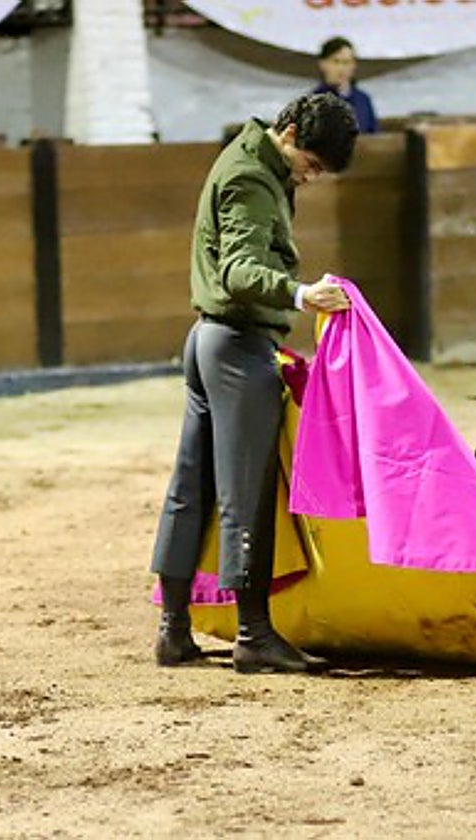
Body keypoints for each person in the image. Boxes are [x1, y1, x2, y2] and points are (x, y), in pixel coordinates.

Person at [150, 93, 359, 675]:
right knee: (247, 494)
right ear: (288, 132)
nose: (310, 178)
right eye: (311, 164)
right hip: (238, 348)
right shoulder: (251, 178)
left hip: (208, 341)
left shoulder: (248, 160)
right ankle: (254, 633)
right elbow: (239, 272)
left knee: (190, 487)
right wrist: (299, 294)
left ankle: (173, 632)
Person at [312, 36, 378, 135]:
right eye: (336, 62)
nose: (341, 68)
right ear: (322, 64)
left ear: (354, 65)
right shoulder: (312, 102)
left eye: (346, 62)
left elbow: (374, 136)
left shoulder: (363, 99)